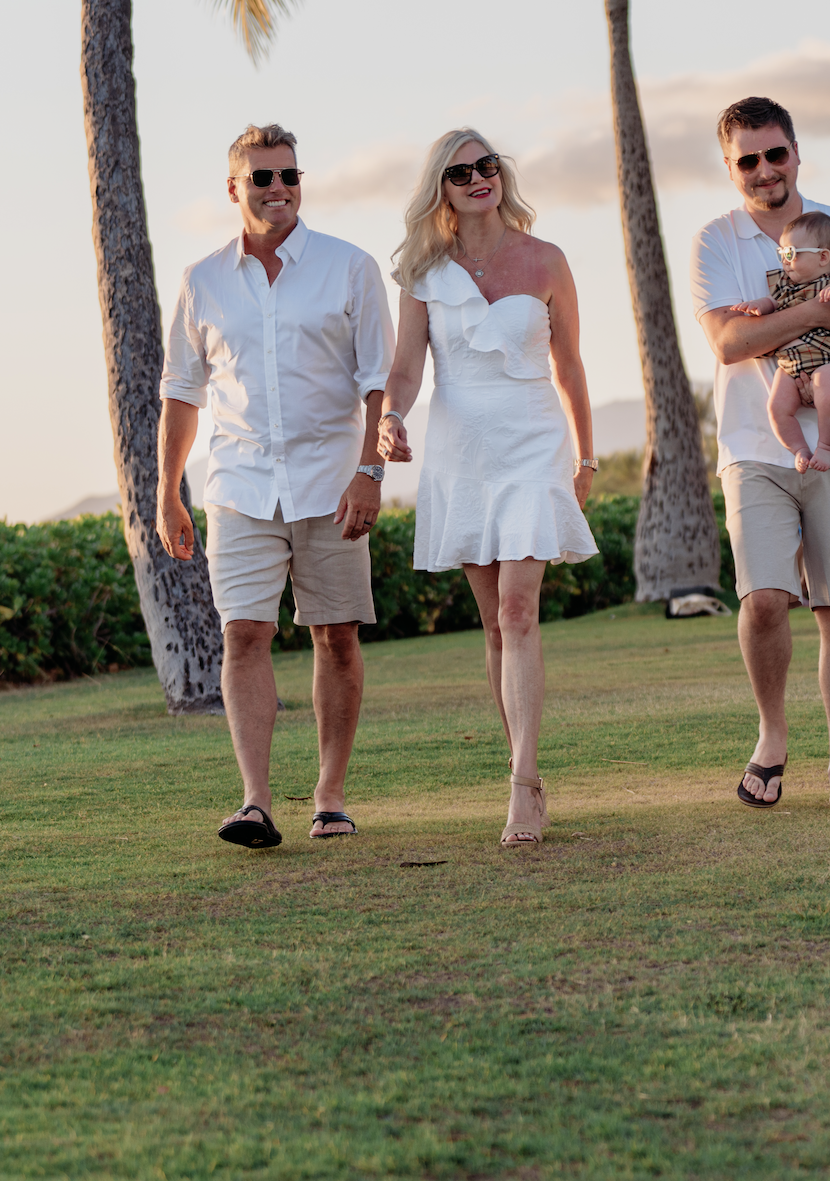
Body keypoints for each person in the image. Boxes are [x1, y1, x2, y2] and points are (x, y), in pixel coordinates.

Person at [158, 123, 394, 848]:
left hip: (331, 482)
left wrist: (370, 471)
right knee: (245, 633)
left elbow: (377, 383)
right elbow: (181, 392)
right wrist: (168, 491)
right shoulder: (202, 280)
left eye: (289, 175)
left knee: (337, 639)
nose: (279, 189)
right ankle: (255, 801)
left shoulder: (349, 268)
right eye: (262, 178)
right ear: (234, 189)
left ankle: (329, 795)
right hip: (239, 483)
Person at [377, 131, 597, 845]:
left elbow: (570, 367)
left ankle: (523, 785)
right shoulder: (423, 271)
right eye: (460, 171)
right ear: (440, 188)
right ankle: (521, 764)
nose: (478, 178)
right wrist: (389, 416)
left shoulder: (547, 260)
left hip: (534, 441)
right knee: (494, 622)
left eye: (487, 166)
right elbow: (406, 369)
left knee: (518, 608)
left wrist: (586, 457)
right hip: (461, 451)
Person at [691, 96, 830, 813]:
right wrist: (818, 313)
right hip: (755, 448)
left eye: (774, 154)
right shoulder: (715, 242)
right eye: (747, 160)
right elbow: (728, 344)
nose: (763, 170)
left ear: (795, 153)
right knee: (763, 600)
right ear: (730, 167)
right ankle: (773, 735)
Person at [729, 212, 830, 472]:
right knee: (776, 407)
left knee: (829, 394)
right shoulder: (785, 286)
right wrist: (757, 306)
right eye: (782, 254)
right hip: (791, 364)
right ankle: (800, 449)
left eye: (791, 253)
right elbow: (772, 303)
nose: (785, 261)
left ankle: (826, 447)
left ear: (823, 256)